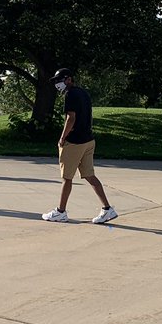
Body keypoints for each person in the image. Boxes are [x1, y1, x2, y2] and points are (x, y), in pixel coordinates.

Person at [41, 68, 117, 224]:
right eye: (56, 81)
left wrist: (62, 138)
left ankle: (60, 212)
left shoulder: (70, 94)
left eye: (60, 80)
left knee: (67, 178)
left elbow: (71, 118)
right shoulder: (83, 93)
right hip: (88, 140)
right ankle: (107, 209)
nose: (57, 84)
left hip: (74, 142)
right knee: (90, 175)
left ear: (69, 79)